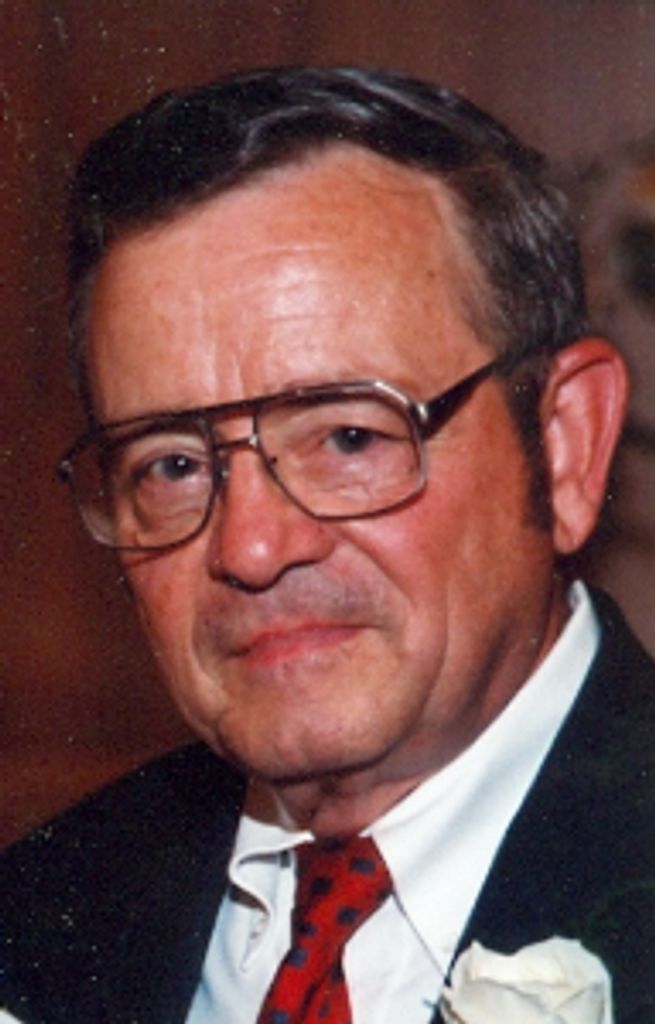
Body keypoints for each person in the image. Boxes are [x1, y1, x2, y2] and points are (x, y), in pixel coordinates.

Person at [1, 66, 654, 1024]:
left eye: (348, 436)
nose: (251, 549)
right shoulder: (35, 922)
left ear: (563, 446)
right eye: (172, 465)